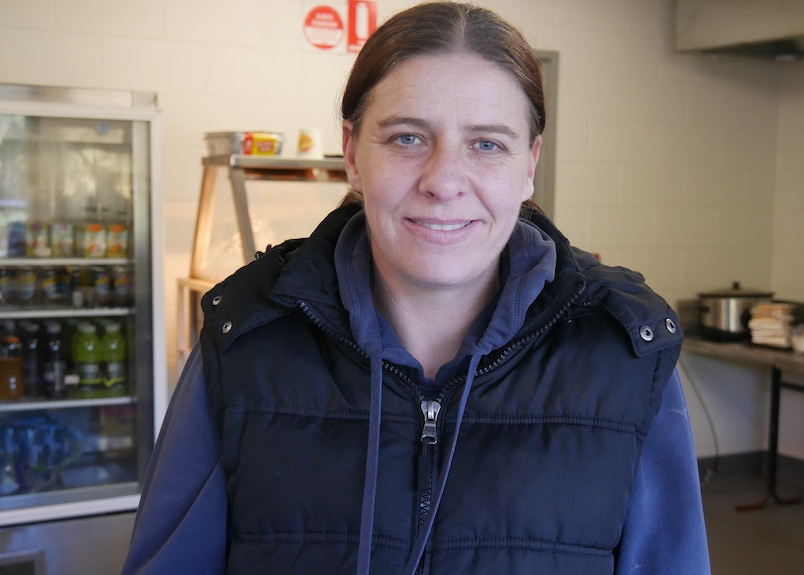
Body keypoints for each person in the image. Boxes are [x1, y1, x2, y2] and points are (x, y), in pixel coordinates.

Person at [121, 2, 711, 574]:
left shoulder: (626, 350)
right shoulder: (246, 338)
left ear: (528, 164)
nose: (444, 181)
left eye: (487, 144)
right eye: (407, 138)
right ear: (352, 154)